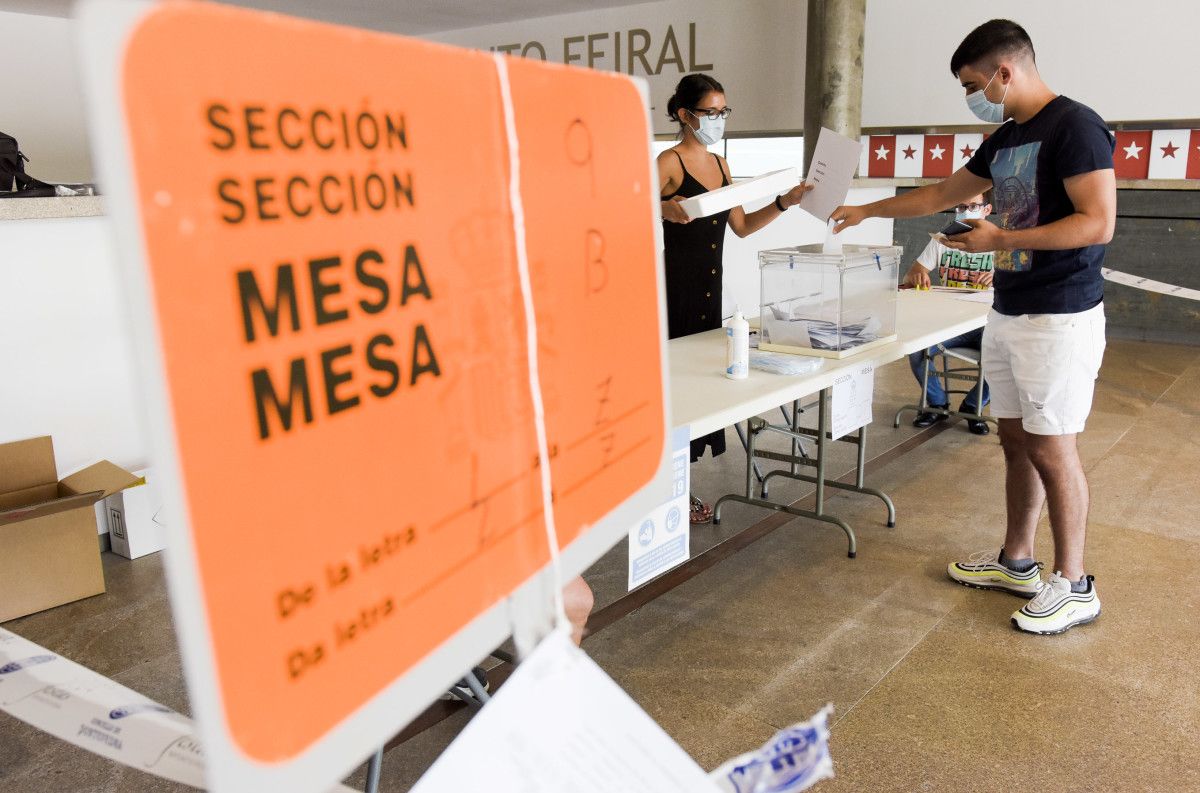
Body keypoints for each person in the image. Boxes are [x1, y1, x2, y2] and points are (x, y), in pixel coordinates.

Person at [831, 19, 1115, 635]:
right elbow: (942, 191)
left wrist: (1002, 240)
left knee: (1052, 444)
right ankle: (1017, 560)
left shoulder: (1077, 126)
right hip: (1010, 308)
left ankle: (1075, 583)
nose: (971, 95)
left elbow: (1097, 222)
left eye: (972, 83)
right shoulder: (1009, 134)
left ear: (1003, 72)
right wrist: (865, 209)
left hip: (1060, 314)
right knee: (1015, 439)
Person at [658, 73, 811, 523]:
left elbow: (741, 227)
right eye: (710, 112)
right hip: (674, 288)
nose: (718, 120)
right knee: (678, 388)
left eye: (724, 112)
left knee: (704, 383)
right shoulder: (668, 163)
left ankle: (679, 481)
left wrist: (786, 202)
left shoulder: (722, 166)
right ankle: (670, 488)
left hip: (710, 286)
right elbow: (617, 203)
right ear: (686, 115)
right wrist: (658, 206)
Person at [904, 192, 995, 436]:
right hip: (947, 321)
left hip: (987, 323)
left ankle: (973, 406)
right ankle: (937, 403)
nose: (967, 211)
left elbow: (1023, 282)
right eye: (961, 206)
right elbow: (913, 272)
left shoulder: (1000, 241)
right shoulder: (943, 240)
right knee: (916, 348)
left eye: (974, 205)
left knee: (1006, 357)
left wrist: (1002, 276)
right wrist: (918, 276)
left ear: (987, 209)